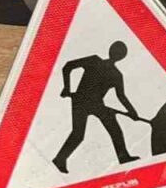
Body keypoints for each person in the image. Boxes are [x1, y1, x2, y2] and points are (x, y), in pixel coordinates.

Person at [52, 41, 141, 174]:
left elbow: (68, 67)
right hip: (82, 101)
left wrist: (132, 111)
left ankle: (124, 157)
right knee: (79, 134)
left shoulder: (104, 67)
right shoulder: (104, 67)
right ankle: (60, 159)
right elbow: (68, 66)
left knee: (112, 129)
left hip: (92, 103)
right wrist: (67, 87)